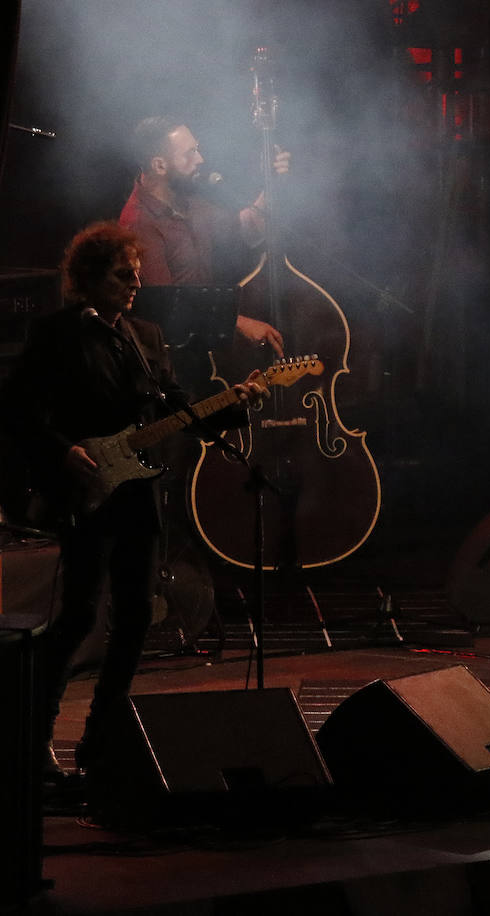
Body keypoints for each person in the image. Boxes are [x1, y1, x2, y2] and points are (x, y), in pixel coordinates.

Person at [0, 222, 266, 780]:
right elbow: (19, 411)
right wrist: (63, 451)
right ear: (89, 278)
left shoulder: (145, 336)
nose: (135, 284)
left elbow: (178, 405)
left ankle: (100, 742)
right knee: (75, 616)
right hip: (87, 488)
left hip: (139, 492)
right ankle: (32, 742)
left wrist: (236, 404)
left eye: (137, 275)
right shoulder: (56, 334)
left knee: (138, 614)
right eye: (124, 275)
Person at [118, 115, 287, 358]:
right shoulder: (138, 223)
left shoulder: (188, 202)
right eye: (190, 153)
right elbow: (165, 308)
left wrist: (273, 185)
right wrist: (237, 323)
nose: (200, 159)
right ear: (159, 166)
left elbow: (245, 229)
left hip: (200, 351)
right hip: (172, 366)